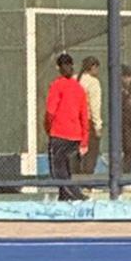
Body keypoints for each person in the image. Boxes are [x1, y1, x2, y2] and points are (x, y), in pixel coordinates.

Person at [44, 53, 88, 201]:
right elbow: (84, 116)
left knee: (58, 170)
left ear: (58, 67)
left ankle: (77, 195)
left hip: (59, 134)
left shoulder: (56, 85)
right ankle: (64, 197)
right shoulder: (79, 88)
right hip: (75, 135)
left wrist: (48, 128)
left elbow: (50, 111)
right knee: (66, 168)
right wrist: (84, 140)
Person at [77, 57, 104, 176]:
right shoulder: (93, 82)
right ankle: (87, 181)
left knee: (75, 151)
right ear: (93, 67)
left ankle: (75, 180)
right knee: (91, 151)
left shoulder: (74, 79)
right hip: (87, 121)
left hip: (74, 121)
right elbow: (94, 105)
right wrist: (97, 125)